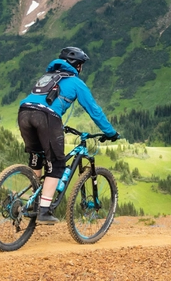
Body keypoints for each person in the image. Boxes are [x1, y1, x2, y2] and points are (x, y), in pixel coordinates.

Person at [18, 46, 119, 224]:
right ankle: (43, 211)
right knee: (57, 165)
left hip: (24, 113)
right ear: (77, 65)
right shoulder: (76, 82)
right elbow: (94, 110)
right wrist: (110, 132)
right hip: (46, 117)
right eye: (81, 65)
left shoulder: (47, 77)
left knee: (37, 157)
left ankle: (27, 201)